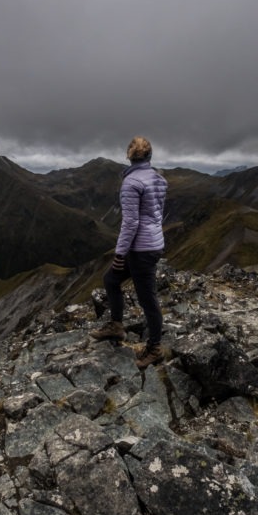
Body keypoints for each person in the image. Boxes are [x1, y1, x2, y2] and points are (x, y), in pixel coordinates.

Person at [91, 136, 168, 369]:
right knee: (110, 279)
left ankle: (154, 349)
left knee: (148, 300)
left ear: (128, 156)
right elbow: (156, 213)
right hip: (153, 244)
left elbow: (131, 222)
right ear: (150, 156)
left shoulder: (131, 183)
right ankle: (116, 326)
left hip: (140, 249)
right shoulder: (159, 180)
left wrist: (120, 253)